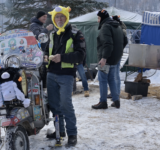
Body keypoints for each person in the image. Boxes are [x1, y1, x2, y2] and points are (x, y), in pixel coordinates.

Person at [44, 6, 85, 146]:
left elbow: (81, 55)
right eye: (57, 17)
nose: (59, 19)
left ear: (66, 17)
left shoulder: (76, 33)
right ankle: (59, 131)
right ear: (54, 19)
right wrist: (44, 57)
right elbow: (46, 51)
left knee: (66, 105)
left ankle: (72, 134)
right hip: (51, 74)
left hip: (66, 75)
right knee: (54, 105)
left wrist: (61, 57)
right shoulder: (52, 34)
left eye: (62, 16)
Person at [92, 10, 127, 109]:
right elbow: (125, 40)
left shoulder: (105, 27)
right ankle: (116, 100)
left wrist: (104, 58)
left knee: (102, 80)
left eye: (99, 18)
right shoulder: (118, 26)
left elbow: (107, 43)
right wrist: (118, 52)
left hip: (106, 58)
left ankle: (103, 102)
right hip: (115, 58)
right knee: (112, 79)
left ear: (102, 18)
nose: (98, 21)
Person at [29, 11, 54, 88]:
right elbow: (37, 37)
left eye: (46, 17)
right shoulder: (34, 25)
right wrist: (46, 29)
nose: (45, 18)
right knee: (42, 70)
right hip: (37, 52)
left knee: (45, 70)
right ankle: (42, 87)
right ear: (38, 17)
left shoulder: (40, 25)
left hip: (42, 51)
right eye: (43, 16)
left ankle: (44, 87)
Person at [106, 15, 128, 98]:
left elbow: (125, 41)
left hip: (115, 54)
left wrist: (119, 49)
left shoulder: (119, 29)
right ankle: (115, 92)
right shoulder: (121, 28)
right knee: (114, 74)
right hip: (117, 53)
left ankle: (115, 93)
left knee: (114, 75)